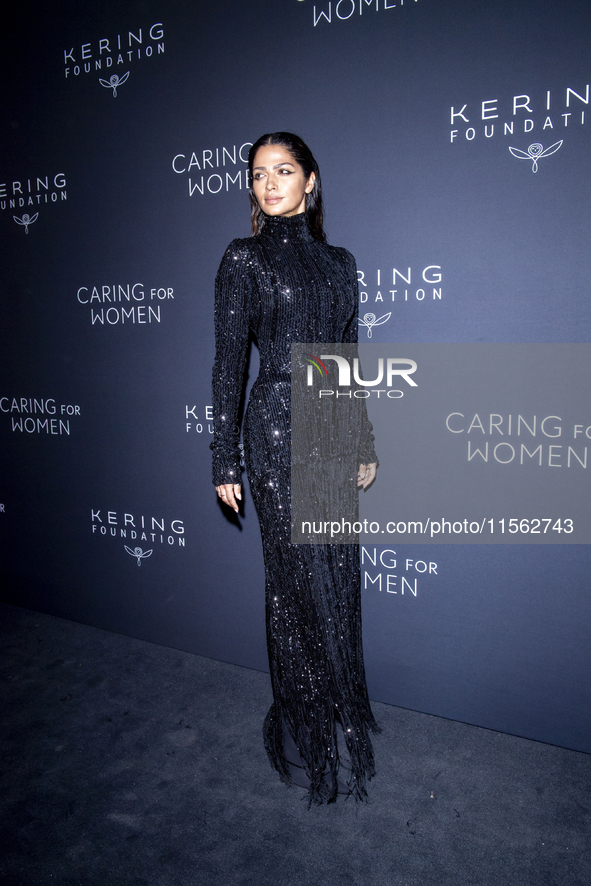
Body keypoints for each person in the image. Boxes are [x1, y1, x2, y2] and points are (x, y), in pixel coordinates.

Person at [211, 132, 379, 804]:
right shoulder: (242, 258)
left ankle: (336, 703)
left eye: (283, 171)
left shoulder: (340, 263)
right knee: (291, 585)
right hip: (277, 424)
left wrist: (363, 440)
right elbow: (229, 363)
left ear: (310, 180)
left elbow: (344, 357)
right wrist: (223, 453)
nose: (269, 183)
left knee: (336, 574)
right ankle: (300, 720)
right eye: (258, 174)